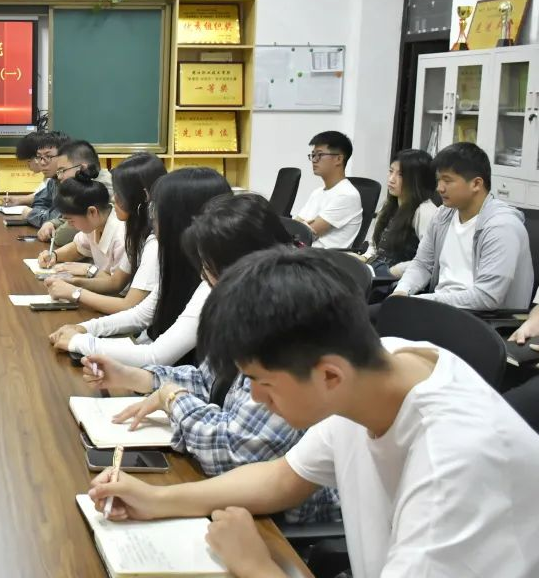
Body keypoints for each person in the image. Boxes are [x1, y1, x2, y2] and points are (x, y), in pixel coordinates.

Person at [86, 248, 539, 578]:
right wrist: (156, 501)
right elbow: (284, 477)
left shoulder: (451, 467)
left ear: (329, 376)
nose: (255, 397)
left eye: (262, 383)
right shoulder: (379, 365)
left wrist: (257, 566)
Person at [81, 193, 338, 523]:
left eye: (209, 271)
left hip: (279, 521)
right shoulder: (252, 306)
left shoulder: (288, 324)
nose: (205, 281)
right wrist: (135, 377)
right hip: (239, 496)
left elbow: (236, 452)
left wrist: (173, 399)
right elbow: (210, 379)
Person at [49, 168, 231, 365]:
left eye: (156, 210)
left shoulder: (211, 279)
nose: (152, 218)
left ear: (181, 218)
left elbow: (157, 355)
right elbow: (141, 315)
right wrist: (85, 328)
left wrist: (80, 341)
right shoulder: (177, 258)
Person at [393, 142, 532, 310]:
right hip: (439, 308)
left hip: (481, 318)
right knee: (378, 315)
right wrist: (402, 291)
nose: (439, 188)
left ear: (476, 184)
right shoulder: (443, 215)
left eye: (447, 181)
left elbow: (487, 297)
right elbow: (422, 264)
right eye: (438, 180)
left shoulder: (502, 226)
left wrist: (420, 301)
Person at [45, 152, 165, 314]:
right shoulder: (135, 230)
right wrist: (74, 283)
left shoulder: (151, 242)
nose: (114, 199)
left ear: (144, 196)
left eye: (120, 193)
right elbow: (116, 283)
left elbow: (128, 306)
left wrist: (75, 292)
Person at [38, 171, 126, 284]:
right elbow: (78, 247)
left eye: (71, 220)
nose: (69, 224)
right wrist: (54, 255)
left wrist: (88, 270)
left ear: (92, 212)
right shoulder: (96, 223)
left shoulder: (121, 237)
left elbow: (117, 284)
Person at [360, 148, 438, 277]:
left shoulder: (425, 211)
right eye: (391, 171)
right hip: (375, 271)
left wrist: (395, 271)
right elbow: (375, 247)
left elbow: (429, 260)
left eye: (400, 175)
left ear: (417, 179)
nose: (391, 179)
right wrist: (362, 258)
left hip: (395, 279)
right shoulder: (389, 206)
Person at [36, 140, 113, 247]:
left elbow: (62, 237)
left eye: (62, 170)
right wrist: (52, 223)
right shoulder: (88, 183)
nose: (59, 177)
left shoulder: (100, 190)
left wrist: (55, 230)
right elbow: (73, 217)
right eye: (58, 172)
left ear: (82, 168)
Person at [295, 130, 363, 249]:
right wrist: (300, 227)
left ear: (338, 159)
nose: (314, 160)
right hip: (303, 253)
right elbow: (294, 227)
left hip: (323, 258)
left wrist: (301, 227)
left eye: (320, 155)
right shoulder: (317, 193)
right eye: (313, 155)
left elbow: (304, 235)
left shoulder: (347, 195)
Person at [23, 131, 69, 230]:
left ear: (65, 156)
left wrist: (30, 214)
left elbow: (55, 220)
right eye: (39, 157)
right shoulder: (53, 181)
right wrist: (42, 214)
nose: (42, 163)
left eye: (48, 157)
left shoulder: (72, 182)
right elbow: (39, 202)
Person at [0, 131, 51, 208]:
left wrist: (28, 211)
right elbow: (39, 195)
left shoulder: (55, 176)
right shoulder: (47, 175)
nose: (28, 166)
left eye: (28, 161)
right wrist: (17, 200)